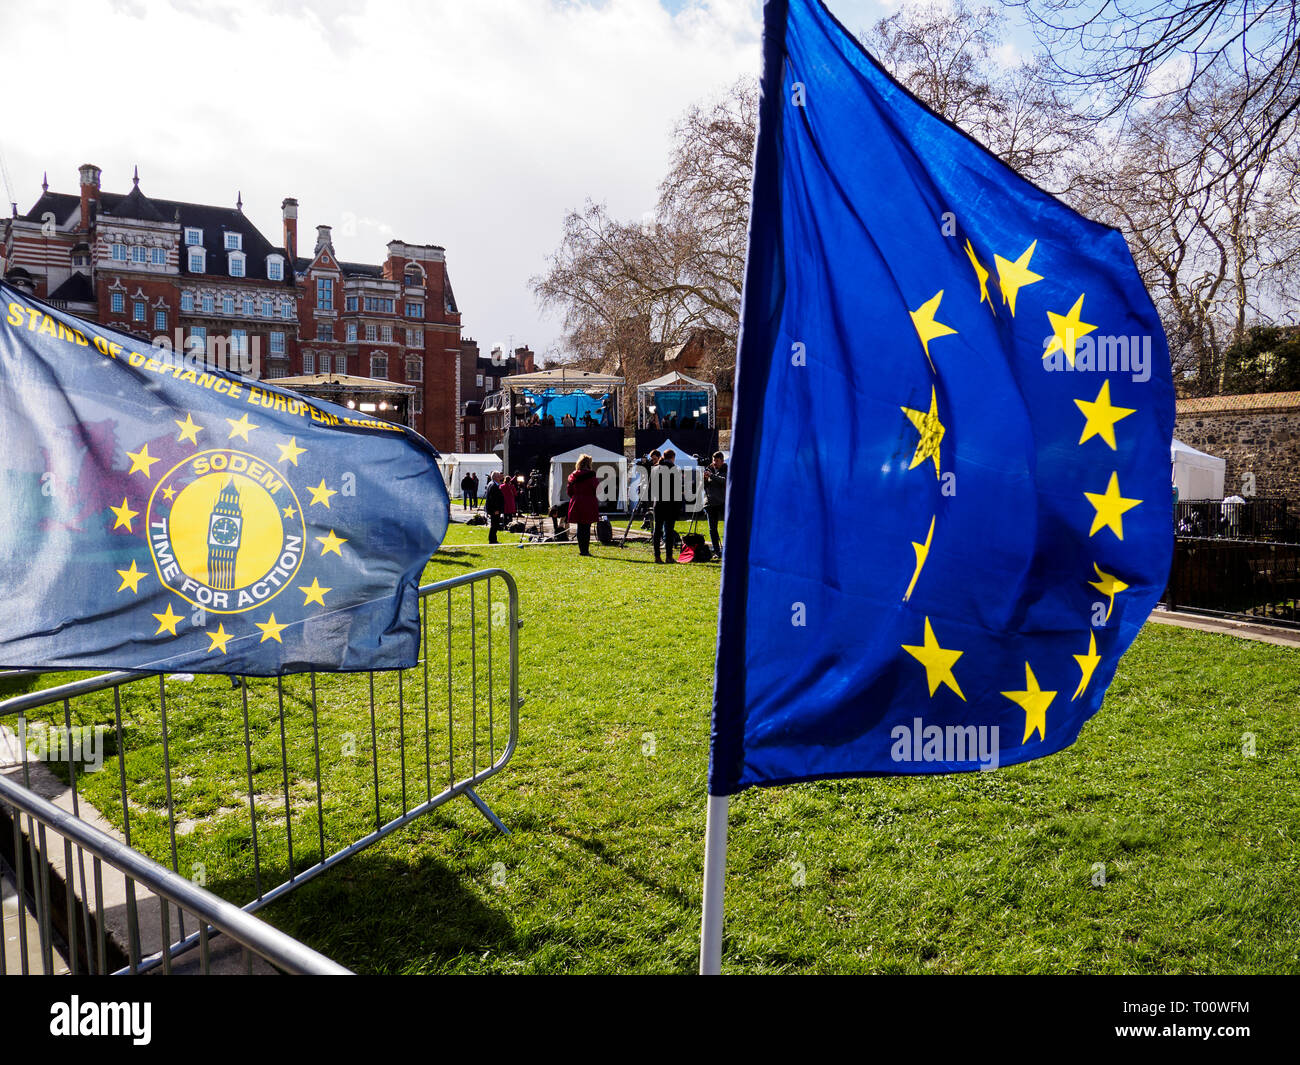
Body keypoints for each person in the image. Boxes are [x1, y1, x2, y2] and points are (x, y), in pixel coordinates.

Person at [651, 449, 682, 563]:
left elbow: (651, 487)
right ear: (673, 457)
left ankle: (657, 556)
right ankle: (669, 556)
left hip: (658, 503)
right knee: (669, 531)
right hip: (670, 503)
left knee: (657, 530)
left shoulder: (654, 469)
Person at [567, 454, 600, 556]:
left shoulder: (573, 476)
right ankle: (585, 550)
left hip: (576, 501)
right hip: (588, 501)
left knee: (580, 527)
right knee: (586, 527)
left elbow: (569, 491)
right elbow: (598, 490)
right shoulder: (591, 476)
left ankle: (582, 550)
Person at [703, 451, 727, 560]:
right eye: (714, 461)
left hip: (722, 503)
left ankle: (729, 549)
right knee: (712, 529)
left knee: (727, 527)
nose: (715, 463)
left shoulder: (726, 469)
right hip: (710, 503)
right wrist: (704, 478)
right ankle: (717, 551)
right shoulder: (709, 469)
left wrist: (711, 476)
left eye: (717, 461)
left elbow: (724, 481)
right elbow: (704, 486)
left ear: (722, 461)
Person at [484, 472, 505, 543]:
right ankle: (492, 539)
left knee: (495, 524)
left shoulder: (492, 484)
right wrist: (495, 509)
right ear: (495, 477)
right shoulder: (493, 485)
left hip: (494, 508)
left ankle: (493, 539)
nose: (501, 478)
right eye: (499, 476)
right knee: (494, 524)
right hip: (494, 509)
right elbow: (493, 499)